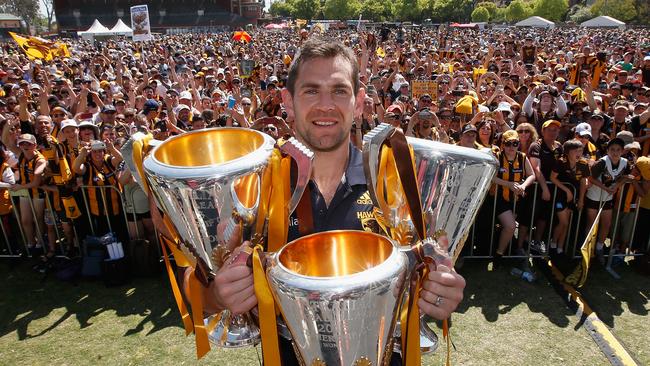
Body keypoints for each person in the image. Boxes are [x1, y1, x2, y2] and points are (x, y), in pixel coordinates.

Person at [201, 37, 466, 365]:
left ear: (358, 102)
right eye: (311, 90)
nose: (326, 105)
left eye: (339, 91)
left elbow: (428, 275)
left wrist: (441, 292)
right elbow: (202, 296)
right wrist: (216, 295)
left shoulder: (396, 180)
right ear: (288, 101)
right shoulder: (255, 189)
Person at [490, 130, 535, 267]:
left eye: (515, 143)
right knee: (510, 226)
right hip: (499, 198)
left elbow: (531, 175)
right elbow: (491, 177)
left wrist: (524, 186)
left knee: (507, 228)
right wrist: (508, 184)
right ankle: (499, 254)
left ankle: (502, 252)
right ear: (503, 144)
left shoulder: (522, 157)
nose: (511, 147)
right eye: (508, 143)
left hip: (517, 199)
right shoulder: (497, 156)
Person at [584, 138, 632, 264]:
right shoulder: (602, 162)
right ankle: (587, 248)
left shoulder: (625, 163)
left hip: (608, 197)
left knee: (606, 224)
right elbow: (590, 178)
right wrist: (605, 187)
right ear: (608, 150)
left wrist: (616, 186)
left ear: (622, 151)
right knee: (591, 223)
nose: (615, 153)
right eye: (612, 150)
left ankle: (599, 247)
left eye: (618, 150)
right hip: (594, 195)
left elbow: (625, 177)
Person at [549, 139, 590, 259]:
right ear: (567, 152)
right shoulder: (561, 162)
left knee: (567, 224)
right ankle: (553, 244)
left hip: (575, 196)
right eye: (575, 151)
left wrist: (581, 199)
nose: (579, 153)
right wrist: (566, 190)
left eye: (581, 150)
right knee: (563, 222)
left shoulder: (583, 164)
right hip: (560, 195)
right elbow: (552, 178)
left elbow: (583, 182)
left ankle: (560, 248)